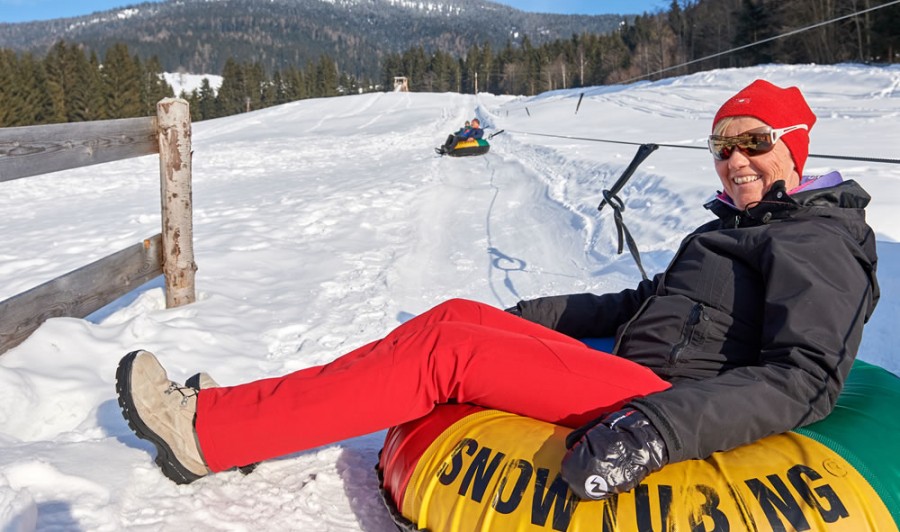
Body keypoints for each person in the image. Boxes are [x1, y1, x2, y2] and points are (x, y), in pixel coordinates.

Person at [116, 80, 878, 502]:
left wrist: (659, 428)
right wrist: (525, 318)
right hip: (638, 368)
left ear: (793, 147)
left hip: (661, 397)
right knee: (458, 319)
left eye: (754, 143)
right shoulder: (740, 225)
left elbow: (804, 376)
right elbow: (642, 303)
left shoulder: (816, 239)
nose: (735, 160)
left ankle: (207, 435)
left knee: (446, 348)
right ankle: (251, 419)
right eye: (723, 146)